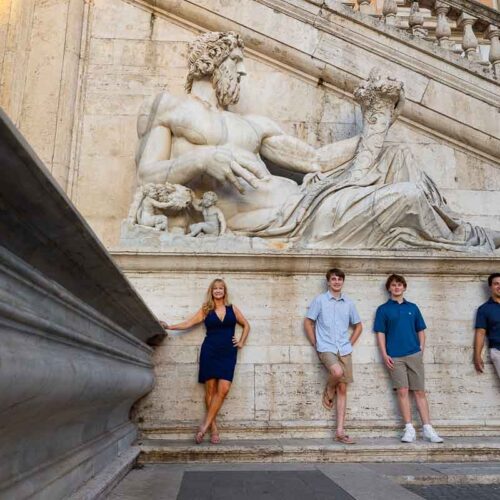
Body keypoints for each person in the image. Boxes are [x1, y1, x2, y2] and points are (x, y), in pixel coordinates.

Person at [134, 30, 500, 252]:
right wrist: (202, 159)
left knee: (395, 154)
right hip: (278, 221)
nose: (243, 70)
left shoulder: (252, 124)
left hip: (306, 204)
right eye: (236, 61)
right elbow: (148, 175)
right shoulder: (170, 108)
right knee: (408, 198)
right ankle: (472, 239)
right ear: (214, 62)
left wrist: (378, 124)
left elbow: (318, 161)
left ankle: (465, 233)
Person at [161, 278, 250, 444]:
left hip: (228, 353)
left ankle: (203, 426)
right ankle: (213, 428)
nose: (218, 290)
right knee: (210, 391)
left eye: (220, 288)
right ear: (211, 291)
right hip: (210, 351)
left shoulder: (232, 309)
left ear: (224, 291)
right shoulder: (206, 309)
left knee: (223, 389)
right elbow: (189, 323)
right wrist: (169, 326)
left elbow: (246, 325)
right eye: (215, 288)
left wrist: (242, 341)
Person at [374, 274, 443, 443]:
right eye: (393, 285)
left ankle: (428, 428)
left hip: (414, 354)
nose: (397, 287)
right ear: (389, 288)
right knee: (402, 391)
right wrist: (384, 354)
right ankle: (409, 428)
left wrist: (421, 349)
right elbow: (380, 333)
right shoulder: (383, 309)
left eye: (399, 285)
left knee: (419, 391)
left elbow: (421, 330)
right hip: (395, 357)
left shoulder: (413, 307)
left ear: (404, 287)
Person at [304, 268, 363, 444]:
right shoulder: (320, 300)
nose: (337, 282)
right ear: (328, 282)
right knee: (336, 373)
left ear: (343, 282)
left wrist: (350, 343)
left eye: (340, 279)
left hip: (344, 349)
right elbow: (308, 322)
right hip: (326, 347)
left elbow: (359, 326)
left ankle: (339, 431)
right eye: (334, 279)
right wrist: (315, 343)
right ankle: (329, 389)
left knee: (343, 389)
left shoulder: (349, 303)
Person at [474, 273, 500, 378]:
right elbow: (480, 333)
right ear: (490, 286)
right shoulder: (484, 309)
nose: (499, 286)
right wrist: (477, 356)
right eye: (496, 284)